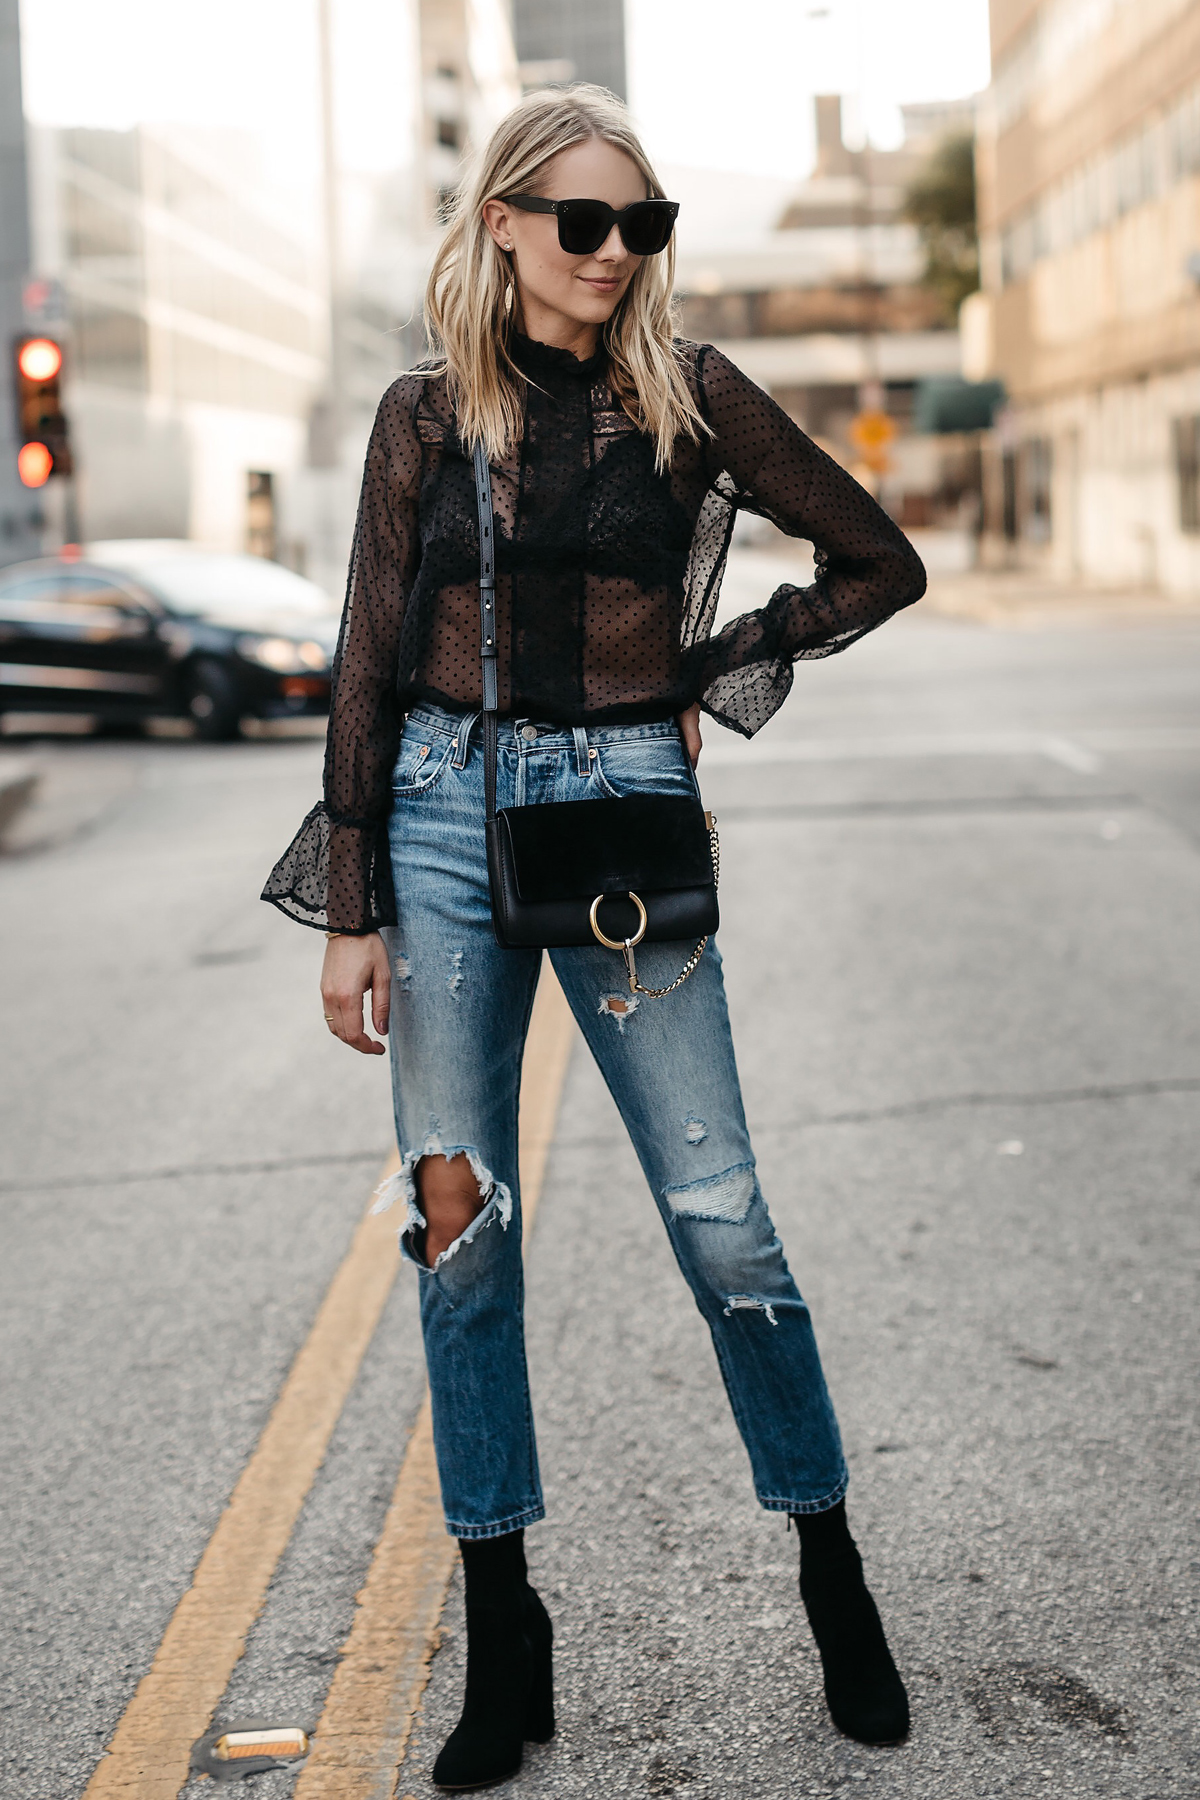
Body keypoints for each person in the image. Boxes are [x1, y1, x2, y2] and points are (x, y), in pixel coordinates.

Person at [263, 83, 926, 1792]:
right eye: (585, 224)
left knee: (723, 1222)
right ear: (502, 225)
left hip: (622, 808)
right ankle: (505, 1630)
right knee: (458, 1226)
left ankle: (832, 1576)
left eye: (644, 226)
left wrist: (705, 674)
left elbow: (875, 557)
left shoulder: (691, 396)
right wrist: (351, 909)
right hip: (432, 807)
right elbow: (362, 651)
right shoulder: (425, 417)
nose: (618, 253)